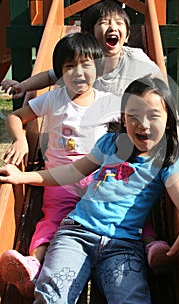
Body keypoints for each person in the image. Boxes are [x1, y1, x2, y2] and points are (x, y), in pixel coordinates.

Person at [0, 76, 179, 304]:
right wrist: (23, 176)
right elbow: (70, 172)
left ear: (169, 120)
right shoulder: (110, 144)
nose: (143, 124)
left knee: (131, 298)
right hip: (77, 234)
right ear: (123, 118)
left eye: (153, 116)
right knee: (52, 294)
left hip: (123, 246)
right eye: (134, 116)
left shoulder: (166, 160)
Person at [0, 32, 121, 297]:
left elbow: (136, 118)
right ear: (60, 72)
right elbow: (15, 117)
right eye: (69, 67)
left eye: (86, 65)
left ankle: (148, 243)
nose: (78, 73)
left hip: (96, 179)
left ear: (98, 67)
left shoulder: (107, 102)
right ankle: (34, 264)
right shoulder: (53, 99)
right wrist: (20, 139)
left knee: (118, 208)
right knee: (52, 220)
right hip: (58, 180)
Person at [0, 0, 165, 101]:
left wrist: (169, 110)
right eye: (104, 22)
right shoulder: (84, 61)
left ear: (127, 35)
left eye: (119, 23)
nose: (113, 27)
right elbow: (51, 76)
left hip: (124, 127)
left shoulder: (135, 59)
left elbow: (160, 80)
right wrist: (23, 86)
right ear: (88, 34)